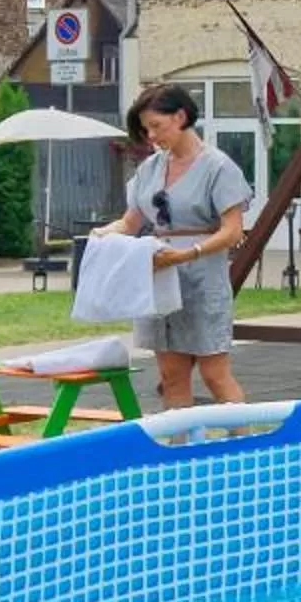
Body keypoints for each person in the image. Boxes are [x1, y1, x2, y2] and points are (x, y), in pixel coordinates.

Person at [105, 84, 256, 410]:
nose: (151, 136)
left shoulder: (218, 167)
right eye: (146, 129)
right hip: (159, 279)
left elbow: (233, 232)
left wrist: (188, 254)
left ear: (181, 116)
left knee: (214, 374)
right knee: (171, 376)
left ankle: (247, 450)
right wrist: (105, 233)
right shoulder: (150, 168)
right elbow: (131, 222)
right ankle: (180, 452)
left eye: (156, 126)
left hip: (202, 279)